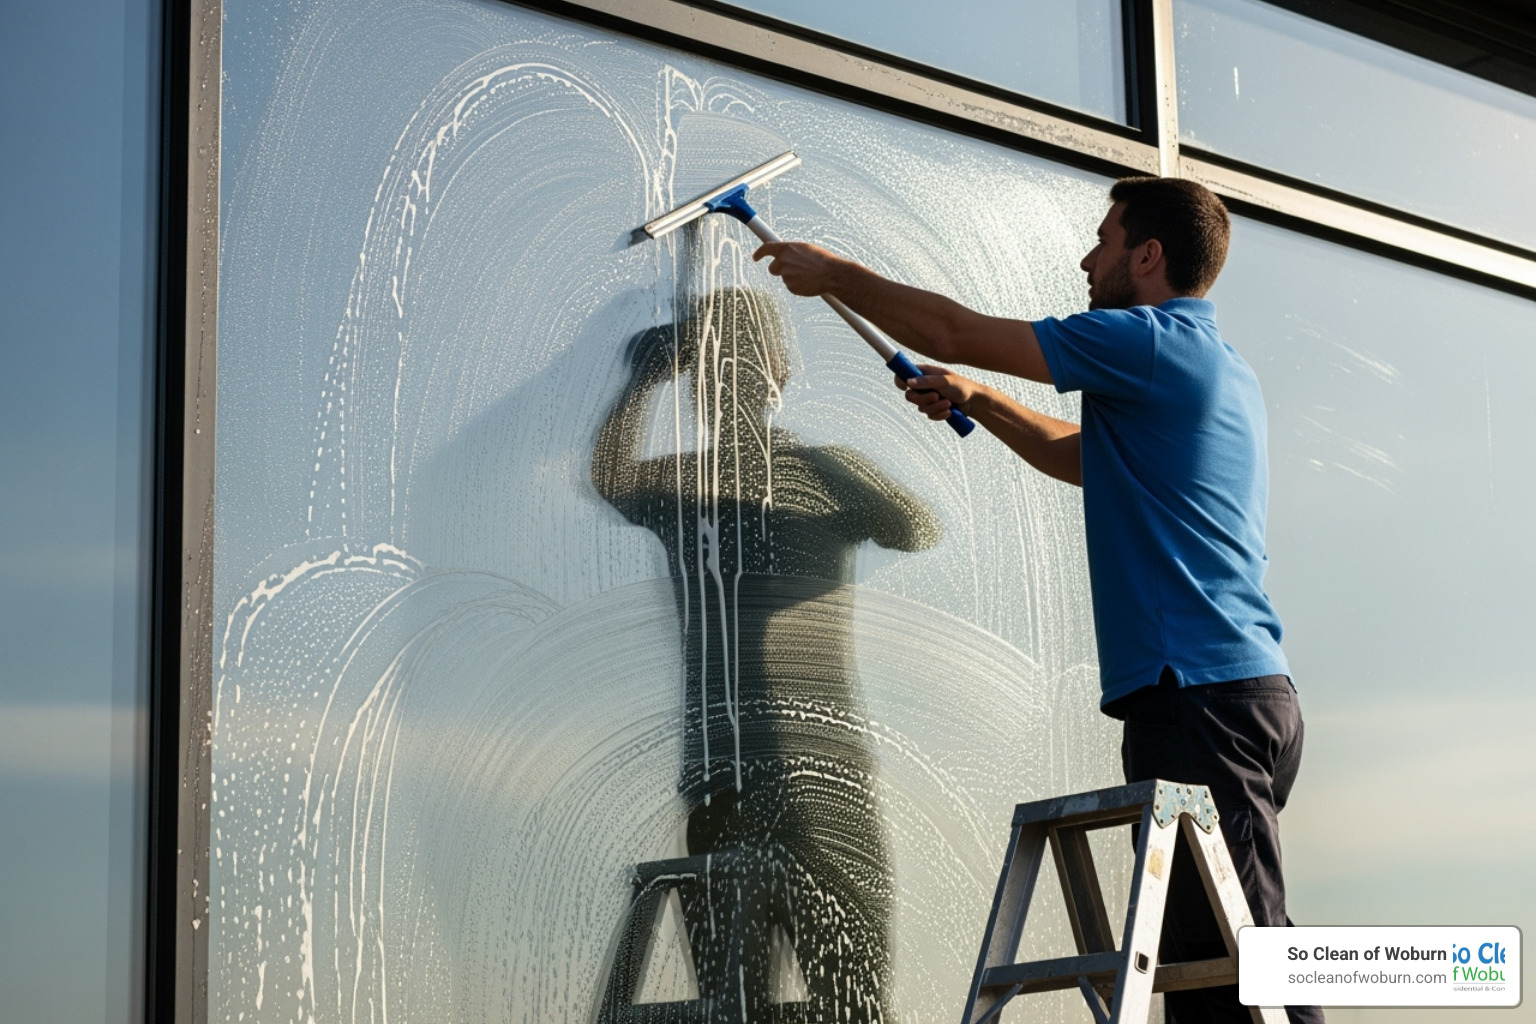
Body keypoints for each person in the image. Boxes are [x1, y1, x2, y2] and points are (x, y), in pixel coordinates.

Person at [753, 177, 1322, 1024]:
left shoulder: (1146, 340)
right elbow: (1082, 456)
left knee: (1254, 983)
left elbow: (953, 330)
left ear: (1148, 255)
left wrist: (834, 271)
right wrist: (983, 401)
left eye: (1103, 240)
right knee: (1210, 982)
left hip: (1198, 701)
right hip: (1232, 698)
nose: (1087, 260)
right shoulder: (1213, 367)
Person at [592, 286, 939, 1022]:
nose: (737, 380)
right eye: (725, 366)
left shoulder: (707, 482)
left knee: (765, 1009)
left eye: (738, 364)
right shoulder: (713, 481)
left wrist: (645, 378)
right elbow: (911, 524)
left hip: (761, 781)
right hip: (795, 783)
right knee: (837, 1008)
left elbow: (911, 525)